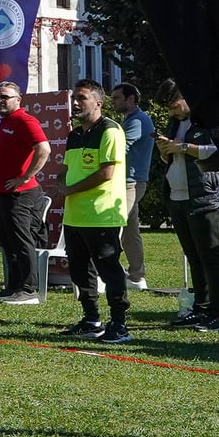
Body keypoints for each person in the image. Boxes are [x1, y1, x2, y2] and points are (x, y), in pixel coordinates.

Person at [157, 80, 219, 332]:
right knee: (194, 255)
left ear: (187, 96)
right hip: (180, 196)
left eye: (174, 106)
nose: (173, 113)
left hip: (211, 194)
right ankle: (201, 308)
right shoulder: (176, 122)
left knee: (213, 256)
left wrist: (181, 147)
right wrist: (166, 150)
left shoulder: (213, 116)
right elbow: (173, 156)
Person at [56, 80, 130, 343]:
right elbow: (66, 169)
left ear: (98, 102)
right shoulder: (74, 134)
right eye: (74, 97)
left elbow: (106, 173)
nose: (75, 103)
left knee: (109, 270)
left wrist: (70, 190)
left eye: (82, 98)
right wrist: (59, 182)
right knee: (79, 271)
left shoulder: (110, 131)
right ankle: (91, 319)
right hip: (75, 215)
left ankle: (119, 324)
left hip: (101, 213)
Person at [0, 80, 52, 306]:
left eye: (5, 97)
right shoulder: (5, 122)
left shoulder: (24, 120)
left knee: (22, 242)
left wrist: (25, 177)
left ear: (18, 99)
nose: (0, 101)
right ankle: (13, 287)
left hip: (20, 194)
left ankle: (28, 289)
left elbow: (44, 149)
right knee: (9, 243)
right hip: (0, 194)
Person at [108, 82, 154, 289]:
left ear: (131, 99)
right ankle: (136, 277)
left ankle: (107, 275)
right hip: (129, 182)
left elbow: (121, 148)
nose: (113, 101)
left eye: (117, 97)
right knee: (129, 231)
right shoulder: (132, 120)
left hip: (129, 183)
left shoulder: (138, 121)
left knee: (112, 226)